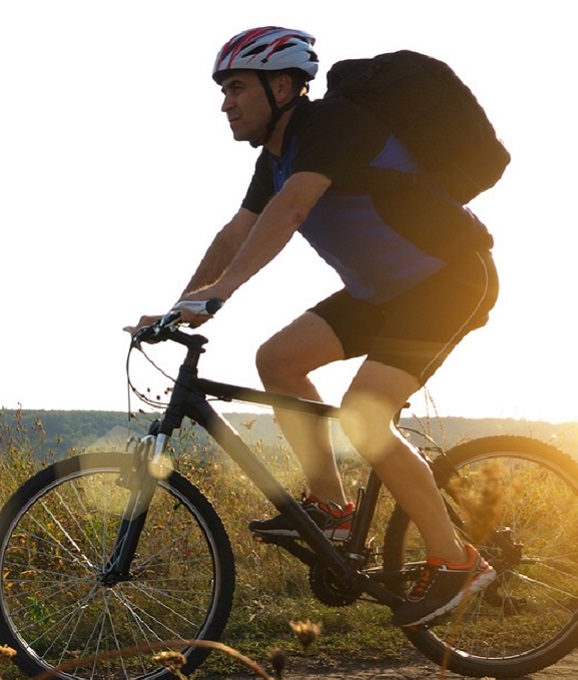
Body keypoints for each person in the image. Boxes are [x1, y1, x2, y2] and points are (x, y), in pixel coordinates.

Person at [125, 26, 500, 627]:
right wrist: (179, 305)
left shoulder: (330, 126)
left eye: (237, 88)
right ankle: (333, 508)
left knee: (364, 416)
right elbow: (236, 232)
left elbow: (291, 209)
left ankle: (458, 562)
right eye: (223, 91)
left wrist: (220, 295)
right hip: (380, 293)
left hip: (446, 280)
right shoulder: (274, 158)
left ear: (282, 86)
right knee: (278, 359)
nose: (226, 103)